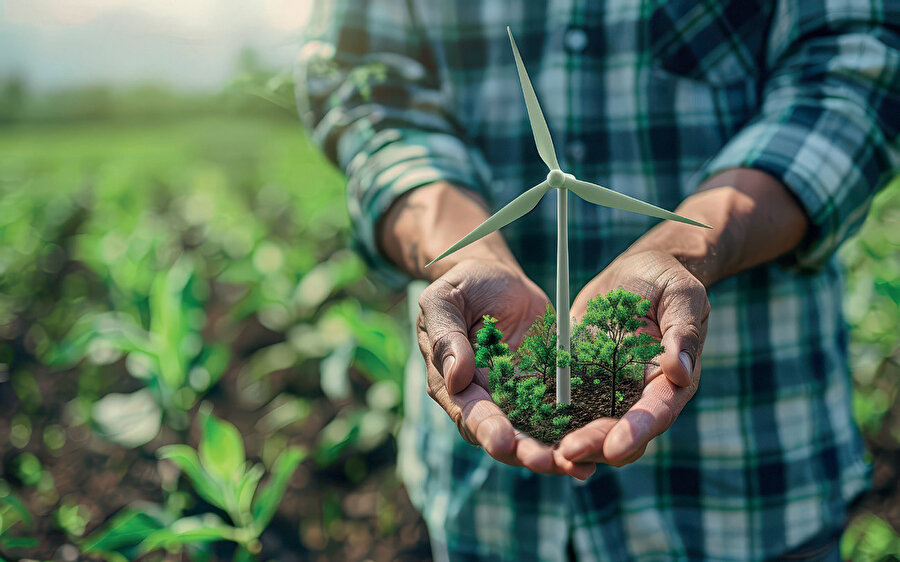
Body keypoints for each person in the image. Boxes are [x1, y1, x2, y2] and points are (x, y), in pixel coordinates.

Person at [297, 1, 900, 560]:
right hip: (485, 507)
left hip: (746, 480)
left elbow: (854, 68)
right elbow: (365, 84)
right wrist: (464, 259)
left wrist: (685, 252)